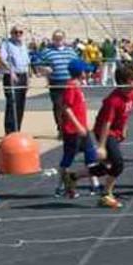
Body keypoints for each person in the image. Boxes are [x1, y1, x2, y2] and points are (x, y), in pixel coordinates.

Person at [88, 64, 133, 209]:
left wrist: (124, 127)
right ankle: (106, 194)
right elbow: (106, 123)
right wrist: (101, 146)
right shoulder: (112, 101)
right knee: (118, 164)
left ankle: (73, 177)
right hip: (105, 132)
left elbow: (127, 112)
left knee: (107, 166)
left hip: (116, 130)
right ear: (123, 82)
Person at [55, 58, 102, 199]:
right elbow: (66, 108)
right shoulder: (71, 86)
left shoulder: (77, 86)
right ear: (81, 73)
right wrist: (77, 126)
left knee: (91, 156)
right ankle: (61, 186)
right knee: (68, 159)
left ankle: (95, 184)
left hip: (82, 129)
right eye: (86, 71)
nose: (88, 74)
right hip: (73, 130)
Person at [34, 29, 76, 136]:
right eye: (56, 38)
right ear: (53, 39)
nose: (58, 40)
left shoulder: (71, 51)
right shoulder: (47, 51)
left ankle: (69, 128)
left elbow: (77, 63)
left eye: (60, 38)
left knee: (70, 106)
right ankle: (61, 128)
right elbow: (37, 63)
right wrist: (44, 68)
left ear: (64, 39)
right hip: (55, 82)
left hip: (69, 82)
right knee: (58, 106)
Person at [0, 25, 31, 134]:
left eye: (20, 32)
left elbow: (27, 63)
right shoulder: (6, 44)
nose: (18, 34)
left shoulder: (23, 45)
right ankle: (10, 131)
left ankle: (17, 129)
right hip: (11, 75)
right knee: (12, 103)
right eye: (15, 32)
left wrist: (28, 78)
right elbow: (1, 59)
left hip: (23, 75)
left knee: (21, 103)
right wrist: (11, 71)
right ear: (11, 33)